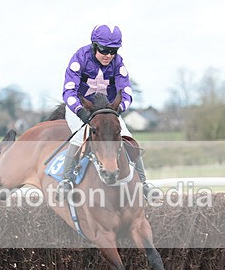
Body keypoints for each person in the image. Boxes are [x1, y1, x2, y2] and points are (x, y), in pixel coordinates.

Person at [60, 24, 154, 196]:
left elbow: (125, 91)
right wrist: (80, 111)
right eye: (104, 50)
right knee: (78, 137)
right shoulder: (79, 58)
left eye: (113, 51)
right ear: (95, 46)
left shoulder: (118, 63)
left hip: (108, 110)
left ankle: (144, 184)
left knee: (129, 137)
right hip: (81, 108)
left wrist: (117, 110)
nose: (109, 55)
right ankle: (65, 181)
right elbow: (68, 90)